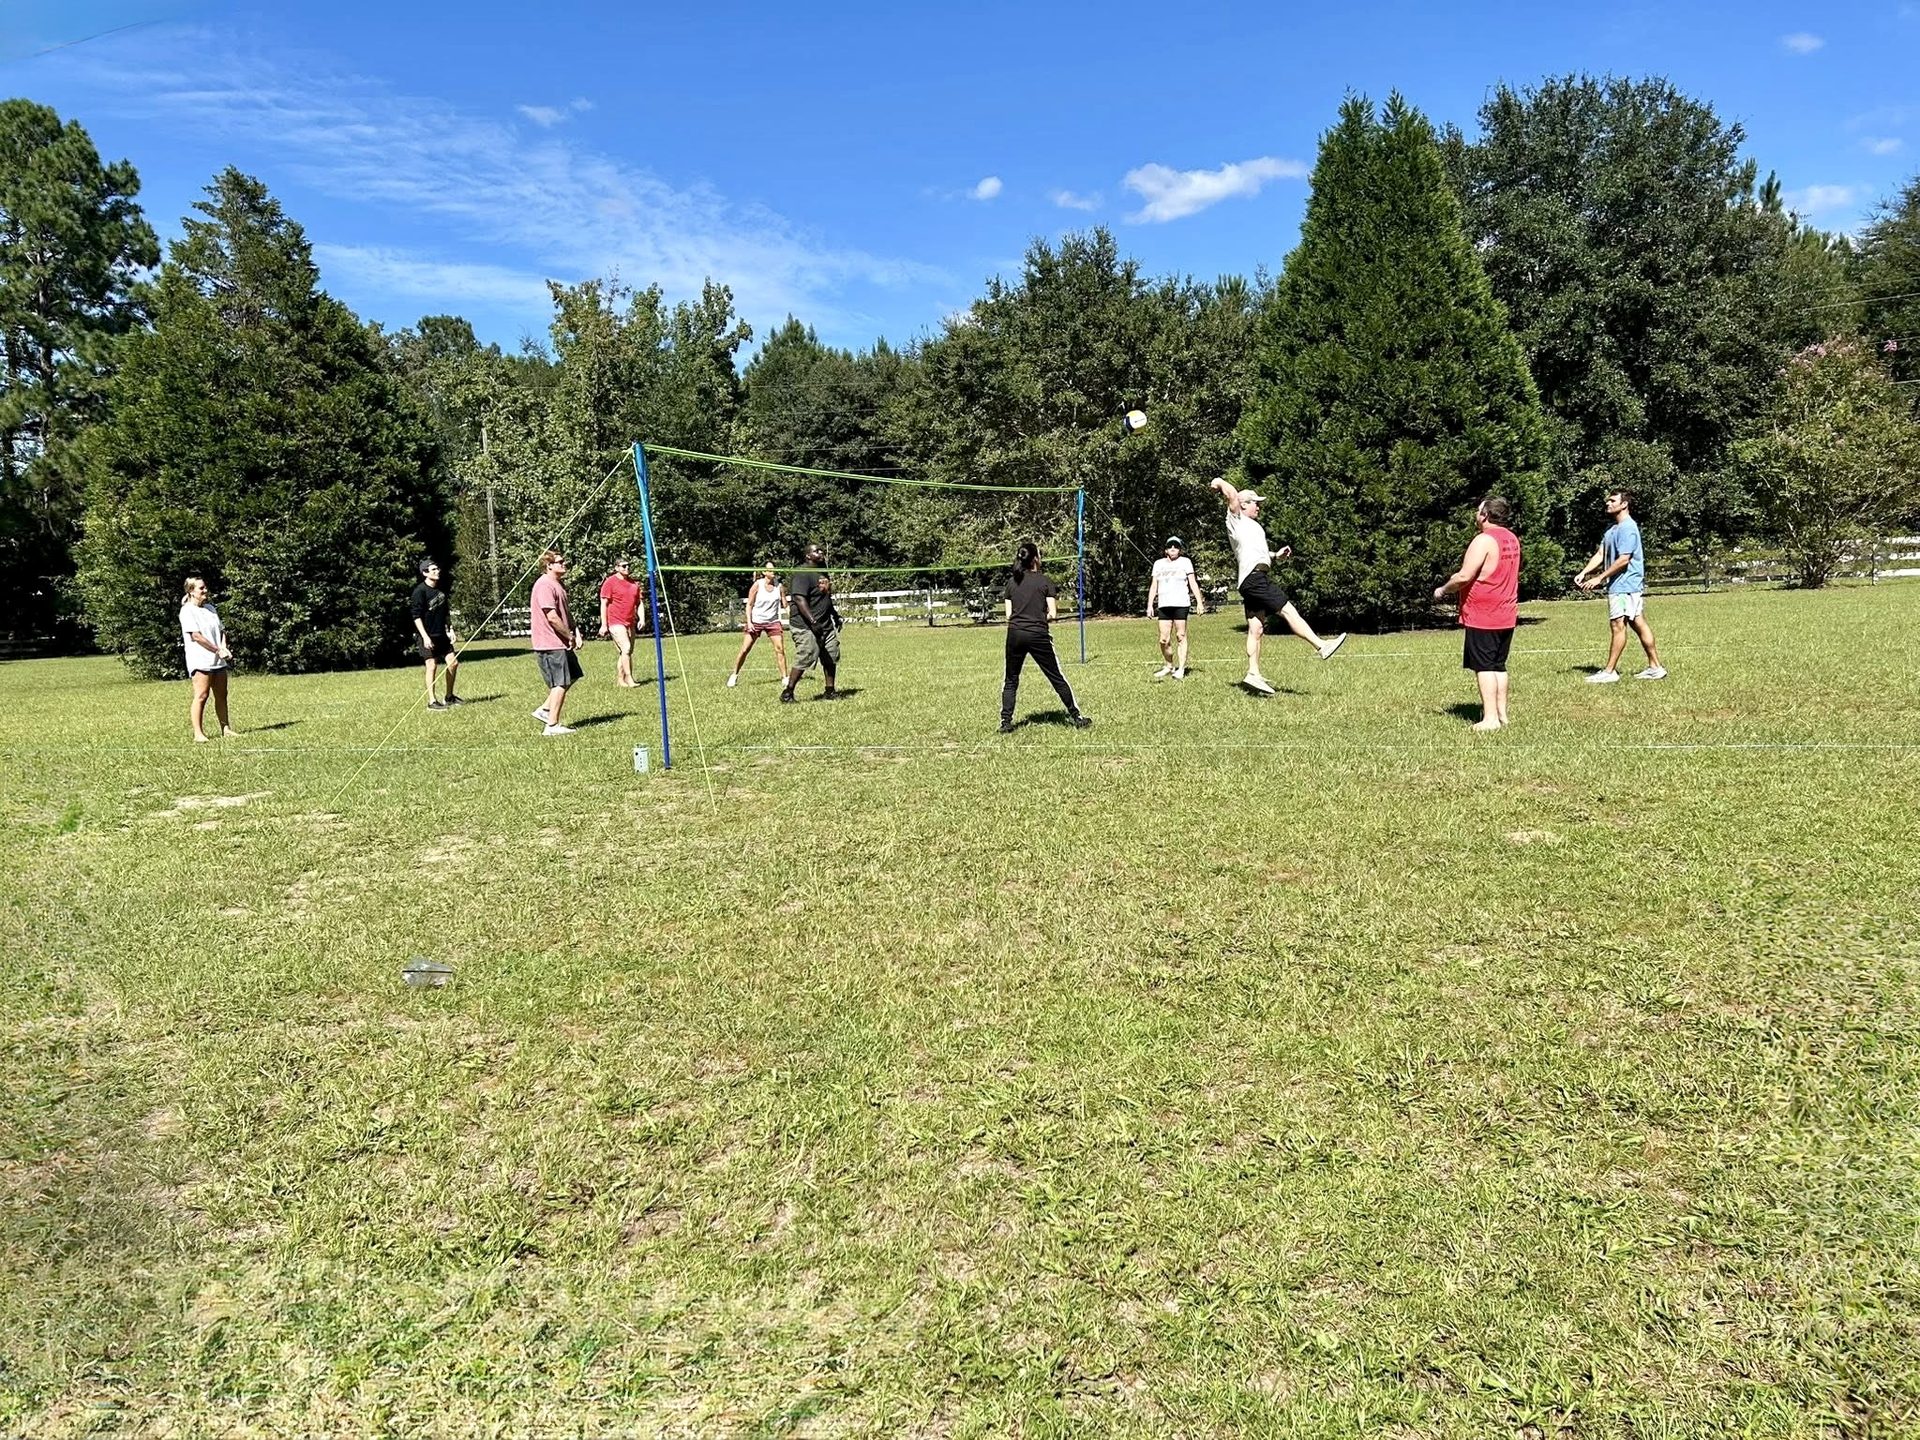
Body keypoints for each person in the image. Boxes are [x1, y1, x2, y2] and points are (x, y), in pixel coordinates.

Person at [1208, 478, 1346, 693]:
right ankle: (1321, 646)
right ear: (1243, 505)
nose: (1259, 507)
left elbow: (1255, 553)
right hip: (1255, 579)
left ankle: (1253, 674)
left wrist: (1276, 555)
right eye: (1255, 503)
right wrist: (1218, 481)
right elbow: (1232, 494)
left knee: (1256, 629)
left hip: (1251, 579)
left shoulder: (1252, 527)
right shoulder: (1236, 519)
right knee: (1289, 611)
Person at [1434, 496, 1521, 731]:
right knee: (1498, 665)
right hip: (1506, 612)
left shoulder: (1483, 540)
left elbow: (1464, 576)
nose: (1476, 514)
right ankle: (1502, 715)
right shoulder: (1511, 538)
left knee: (1484, 666)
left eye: (1478, 510)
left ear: (1485, 515)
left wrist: (1443, 589)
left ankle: (1490, 719)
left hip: (1484, 615)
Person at [1575, 487, 1667, 683]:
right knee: (1638, 623)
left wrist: (1599, 578)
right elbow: (1601, 554)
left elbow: (1624, 559)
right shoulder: (1612, 529)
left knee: (1618, 625)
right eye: (1608, 501)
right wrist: (1584, 572)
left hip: (1625, 586)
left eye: (1612, 501)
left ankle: (1610, 672)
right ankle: (1655, 668)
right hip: (1620, 586)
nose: (1608, 503)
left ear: (1624, 504)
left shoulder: (1628, 528)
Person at [1000, 541, 1092, 732]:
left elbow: (1008, 615)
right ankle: (1076, 716)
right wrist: (1038, 617)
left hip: (1015, 634)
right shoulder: (1045, 581)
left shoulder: (1011, 582)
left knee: (1011, 679)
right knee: (1056, 676)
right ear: (1035, 559)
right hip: (1038, 634)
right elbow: (1053, 614)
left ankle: (1005, 722)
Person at [529, 550, 583, 736]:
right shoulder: (544, 585)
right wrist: (569, 635)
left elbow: (565, 612)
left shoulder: (558, 584)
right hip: (550, 643)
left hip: (561, 641)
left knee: (573, 674)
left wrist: (575, 631)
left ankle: (545, 709)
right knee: (559, 682)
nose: (564, 564)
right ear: (549, 565)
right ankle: (551, 726)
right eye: (560, 562)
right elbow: (551, 616)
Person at [780, 543, 841, 703]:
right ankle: (788, 692)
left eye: (821, 550)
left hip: (825, 623)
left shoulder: (823, 572)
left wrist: (835, 615)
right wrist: (813, 622)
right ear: (808, 555)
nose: (821, 553)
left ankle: (830, 691)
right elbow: (799, 599)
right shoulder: (802, 573)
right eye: (817, 551)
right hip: (804, 624)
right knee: (807, 653)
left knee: (831, 654)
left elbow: (826, 597)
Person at [179, 575, 234, 743]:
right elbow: (196, 636)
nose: (205, 590)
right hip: (200, 660)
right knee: (202, 695)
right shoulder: (187, 611)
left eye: (205, 587)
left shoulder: (210, 608)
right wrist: (217, 650)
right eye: (201, 588)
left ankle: (226, 729)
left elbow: (221, 630)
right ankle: (198, 734)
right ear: (191, 591)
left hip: (218, 660)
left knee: (221, 694)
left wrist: (223, 647)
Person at [1147, 536, 1205, 679]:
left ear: (1180, 550)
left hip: (1181, 604)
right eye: (1170, 546)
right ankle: (1169, 666)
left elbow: (1193, 583)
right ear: (1166, 550)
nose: (1173, 548)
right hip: (1164, 605)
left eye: (1176, 546)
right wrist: (1150, 605)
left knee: (1180, 636)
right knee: (1163, 639)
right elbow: (1154, 586)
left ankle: (1181, 669)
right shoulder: (1158, 564)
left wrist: (1199, 602)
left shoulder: (1185, 562)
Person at [409, 559, 461, 709]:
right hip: (426, 635)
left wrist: (451, 629)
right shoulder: (420, 591)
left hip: (441, 635)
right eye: (433, 570)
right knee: (431, 665)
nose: (437, 571)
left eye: (437, 569)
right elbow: (416, 616)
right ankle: (432, 701)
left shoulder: (441, 590)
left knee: (453, 663)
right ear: (425, 573)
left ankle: (449, 697)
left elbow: (446, 612)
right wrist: (425, 637)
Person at [727, 563, 788, 688]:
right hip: (756, 621)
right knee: (745, 649)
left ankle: (785, 678)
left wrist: (793, 617)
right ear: (764, 572)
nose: (773, 571)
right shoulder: (757, 585)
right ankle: (734, 675)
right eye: (770, 570)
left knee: (780, 649)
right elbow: (749, 605)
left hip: (773, 622)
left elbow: (785, 605)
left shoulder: (779, 586)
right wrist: (749, 622)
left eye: (774, 569)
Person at [598, 558, 646, 687]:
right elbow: (604, 604)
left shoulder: (634, 584)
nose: (627, 568)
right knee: (626, 648)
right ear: (617, 568)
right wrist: (604, 624)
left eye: (628, 565)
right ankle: (629, 678)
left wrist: (642, 618)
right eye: (624, 566)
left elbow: (639, 603)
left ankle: (620, 679)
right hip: (615, 621)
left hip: (630, 622)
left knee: (626, 652)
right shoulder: (610, 582)